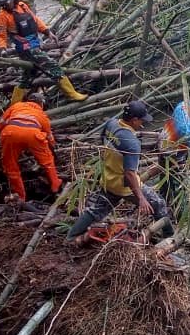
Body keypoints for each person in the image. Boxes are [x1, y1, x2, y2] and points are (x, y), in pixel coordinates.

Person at [67, 100, 172, 241]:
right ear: (134, 120)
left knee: (96, 210)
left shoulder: (112, 123)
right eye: (141, 120)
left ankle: (71, 236)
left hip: (108, 177)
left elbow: (102, 139)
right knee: (158, 204)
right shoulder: (132, 144)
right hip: (123, 184)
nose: (142, 123)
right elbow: (129, 174)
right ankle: (169, 237)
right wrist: (141, 198)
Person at [0, 0, 87, 102]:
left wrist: (47, 32)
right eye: (4, 3)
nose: (7, 4)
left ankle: (14, 103)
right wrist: (3, 49)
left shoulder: (23, 6)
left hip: (35, 43)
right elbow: (1, 35)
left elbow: (35, 20)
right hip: (26, 48)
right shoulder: (2, 16)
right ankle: (72, 94)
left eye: (9, 1)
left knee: (27, 76)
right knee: (53, 66)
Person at [0, 92, 60, 200]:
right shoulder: (42, 115)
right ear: (41, 104)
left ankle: (20, 196)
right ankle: (55, 185)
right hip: (33, 135)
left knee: (10, 166)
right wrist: (53, 147)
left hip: (11, 132)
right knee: (47, 161)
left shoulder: (16, 106)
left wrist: (1, 134)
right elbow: (49, 137)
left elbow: (1, 124)